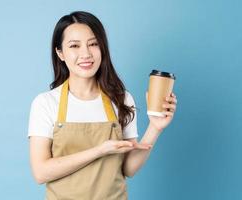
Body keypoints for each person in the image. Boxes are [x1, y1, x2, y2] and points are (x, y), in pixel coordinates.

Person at [28, 11, 177, 200]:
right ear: (60, 53)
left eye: (93, 44)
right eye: (74, 45)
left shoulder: (122, 99)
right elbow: (41, 172)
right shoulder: (46, 103)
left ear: (103, 48)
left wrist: (155, 127)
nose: (86, 54)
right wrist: (100, 151)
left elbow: (127, 169)